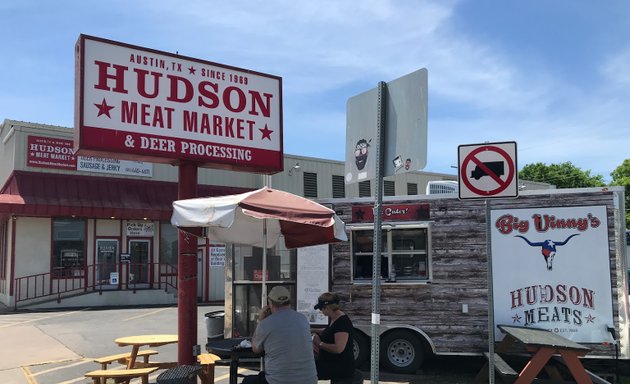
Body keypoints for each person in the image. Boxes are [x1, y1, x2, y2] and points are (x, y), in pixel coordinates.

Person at [242, 286, 317, 384]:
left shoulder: (266, 324)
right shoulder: (302, 319)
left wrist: (260, 320)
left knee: (247, 381)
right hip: (309, 380)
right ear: (289, 302)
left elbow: (256, 348)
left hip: (278, 380)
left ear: (270, 304)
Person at [311, 292, 356, 381]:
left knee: (308, 372)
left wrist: (319, 343)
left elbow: (338, 348)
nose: (320, 311)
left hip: (340, 368)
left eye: (321, 308)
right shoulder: (334, 319)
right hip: (331, 363)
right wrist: (312, 330)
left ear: (327, 307)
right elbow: (330, 332)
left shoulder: (342, 322)